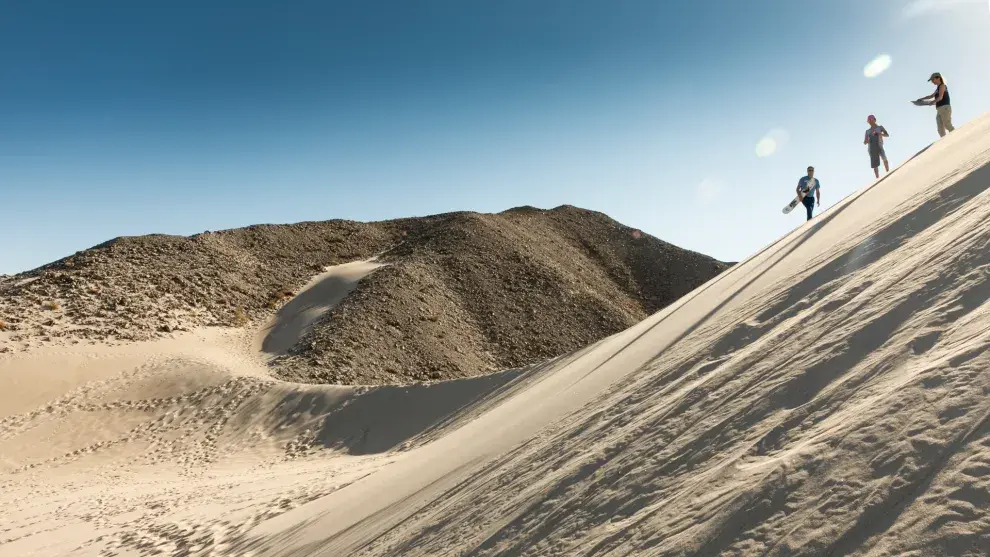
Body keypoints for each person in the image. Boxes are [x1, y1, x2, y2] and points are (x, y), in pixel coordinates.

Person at [914, 72, 954, 137]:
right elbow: (931, 96)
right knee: (940, 129)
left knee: (947, 125)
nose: (932, 82)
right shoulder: (937, 89)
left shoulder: (942, 86)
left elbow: (940, 97)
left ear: (938, 78)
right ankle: (945, 142)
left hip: (945, 108)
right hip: (939, 110)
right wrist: (921, 99)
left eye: (933, 79)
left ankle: (956, 136)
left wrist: (932, 102)